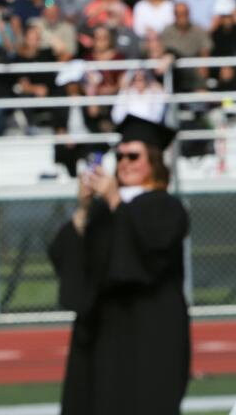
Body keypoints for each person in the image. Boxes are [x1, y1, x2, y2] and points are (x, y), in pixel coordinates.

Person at [48, 115, 190, 415]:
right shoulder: (103, 208)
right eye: (120, 155)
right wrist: (84, 210)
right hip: (103, 327)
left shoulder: (165, 206)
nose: (125, 163)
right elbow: (67, 257)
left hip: (151, 326)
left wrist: (114, 200)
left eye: (134, 156)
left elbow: (148, 255)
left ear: (153, 159)